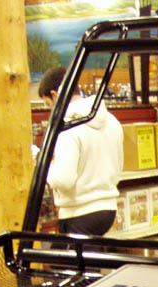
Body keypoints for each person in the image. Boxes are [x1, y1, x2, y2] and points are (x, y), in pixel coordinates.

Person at [38, 67, 124, 236]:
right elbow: (119, 165)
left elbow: (63, 181)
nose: (50, 110)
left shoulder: (67, 126)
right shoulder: (111, 120)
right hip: (108, 210)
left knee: (65, 254)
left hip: (78, 213)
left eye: (48, 104)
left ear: (55, 95)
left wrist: (44, 165)